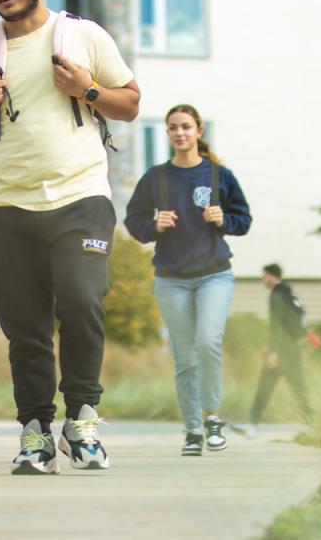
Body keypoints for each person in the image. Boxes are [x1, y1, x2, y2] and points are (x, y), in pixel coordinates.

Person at [0, 0, 141, 475]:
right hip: (7, 207)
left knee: (81, 302)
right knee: (25, 329)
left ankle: (82, 417)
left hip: (80, 198)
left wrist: (88, 89)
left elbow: (130, 103)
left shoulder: (82, 35)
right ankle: (35, 432)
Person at [125, 105, 252, 457]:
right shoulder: (157, 178)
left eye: (185, 127)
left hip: (214, 275)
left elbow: (244, 220)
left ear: (198, 131)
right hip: (171, 279)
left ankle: (213, 417)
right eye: (172, 128)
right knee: (184, 357)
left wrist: (223, 218)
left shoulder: (218, 176)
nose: (179, 133)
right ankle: (193, 430)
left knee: (208, 342)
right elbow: (132, 220)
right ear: (168, 134)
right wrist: (154, 226)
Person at [239, 264, 311, 435]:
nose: (262, 280)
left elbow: (276, 326)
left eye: (264, 276)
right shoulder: (289, 295)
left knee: (264, 387)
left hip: (281, 351)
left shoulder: (276, 296)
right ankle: (312, 424)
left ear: (272, 276)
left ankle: (253, 425)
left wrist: (273, 352)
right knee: (299, 388)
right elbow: (289, 325)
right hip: (293, 349)